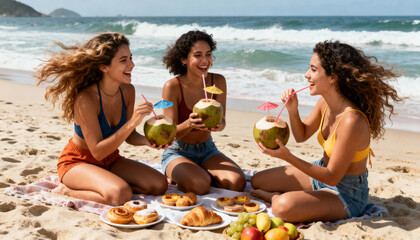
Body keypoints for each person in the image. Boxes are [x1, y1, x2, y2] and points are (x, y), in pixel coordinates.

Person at [250, 40, 403, 222]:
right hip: (321, 171)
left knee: (282, 206)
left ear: (333, 77)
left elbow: (332, 178)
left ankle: (275, 197)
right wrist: (293, 109)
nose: (306, 75)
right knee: (258, 180)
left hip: (347, 192)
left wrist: (287, 157)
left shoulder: (352, 120)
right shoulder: (324, 102)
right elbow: (301, 136)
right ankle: (300, 197)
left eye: (313, 70)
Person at [36, 32, 168, 206]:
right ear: (104, 66)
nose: (132, 65)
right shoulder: (86, 99)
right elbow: (97, 151)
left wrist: (147, 141)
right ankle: (66, 190)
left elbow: (129, 136)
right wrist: (132, 122)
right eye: (123, 60)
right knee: (121, 194)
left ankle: (105, 183)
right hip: (78, 162)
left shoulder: (128, 91)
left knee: (159, 185)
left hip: (110, 160)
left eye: (131, 58)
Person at [160, 30, 246, 195]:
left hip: (208, 149)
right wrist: (189, 124)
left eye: (208, 54)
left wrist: (219, 125)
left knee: (237, 183)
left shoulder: (218, 81)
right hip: (178, 150)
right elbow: (169, 135)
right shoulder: (172, 86)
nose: (205, 61)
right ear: (184, 59)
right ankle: (181, 173)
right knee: (200, 186)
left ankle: (196, 173)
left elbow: (223, 122)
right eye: (198, 55)